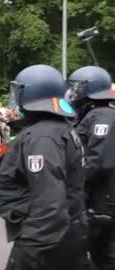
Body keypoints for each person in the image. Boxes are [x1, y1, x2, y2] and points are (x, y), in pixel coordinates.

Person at [0, 64, 87, 270]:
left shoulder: (42, 136)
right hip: (65, 232)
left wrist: (31, 247)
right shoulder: (59, 128)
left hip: (44, 240)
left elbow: (49, 198)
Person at [66, 66, 115, 270]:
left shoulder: (102, 116)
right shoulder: (94, 115)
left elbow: (99, 160)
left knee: (104, 257)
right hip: (100, 197)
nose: (73, 94)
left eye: (77, 89)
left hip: (104, 200)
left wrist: (72, 183)